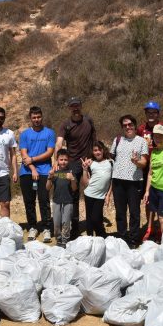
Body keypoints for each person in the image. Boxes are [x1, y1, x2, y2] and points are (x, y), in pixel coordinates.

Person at [55, 97, 96, 239]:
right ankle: (74, 228)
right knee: (73, 195)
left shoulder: (88, 121)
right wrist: (56, 161)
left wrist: (94, 157)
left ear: (81, 106)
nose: (75, 108)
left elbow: (94, 140)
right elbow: (59, 143)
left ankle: (92, 225)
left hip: (88, 162)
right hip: (72, 163)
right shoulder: (65, 124)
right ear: (69, 108)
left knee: (91, 192)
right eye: (72, 106)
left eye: (77, 106)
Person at [136, 101, 163, 241]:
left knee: (160, 198)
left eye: (154, 112)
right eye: (148, 112)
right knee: (148, 200)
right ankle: (149, 227)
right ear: (145, 114)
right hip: (145, 169)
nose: (151, 115)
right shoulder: (141, 129)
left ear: (158, 114)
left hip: (161, 169)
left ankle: (159, 227)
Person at [110, 114, 148, 248]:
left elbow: (144, 162)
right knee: (120, 211)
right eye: (125, 125)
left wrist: (137, 161)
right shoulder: (118, 140)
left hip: (135, 181)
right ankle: (122, 237)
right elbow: (111, 158)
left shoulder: (142, 141)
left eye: (130, 124)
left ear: (135, 125)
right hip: (118, 180)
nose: (128, 127)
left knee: (134, 212)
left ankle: (133, 240)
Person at [19, 106, 56, 242]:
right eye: (34, 117)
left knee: (44, 200)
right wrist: (33, 169)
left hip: (45, 171)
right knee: (29, 201)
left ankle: (46, 228)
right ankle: (33, 227)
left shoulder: (49, 133)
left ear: (42, 117)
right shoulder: (24, 134)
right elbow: (24, 154)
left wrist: (33, 159)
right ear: (30, 118)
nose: (36, 120)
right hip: (27, 172)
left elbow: (50, 152)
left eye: (38, 117)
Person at [81, 141, 113, 238]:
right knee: (89, 220)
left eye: (99, 150)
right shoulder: (91, 163)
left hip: (100, 196)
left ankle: (102, 237)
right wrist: (85, 169)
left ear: (103, 150)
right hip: (89, 194)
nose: (97, 152)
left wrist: (108, 195)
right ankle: (90, 239)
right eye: (95, 150)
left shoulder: (110, 162)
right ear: (93, 152)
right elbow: (85, 183)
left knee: (96, 218)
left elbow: (112, 180)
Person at [46, 149, 77, 248]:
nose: (63, 162)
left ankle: (65, 240)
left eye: (65, 160)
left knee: (66, 222)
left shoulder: (71, 172)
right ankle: (58, 239)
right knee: (56, 223)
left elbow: (74, 188)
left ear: (68, 161)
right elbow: (47, 187)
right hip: (56, 202)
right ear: (57, 160)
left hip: (68, 201)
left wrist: (72, 179)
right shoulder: (54, 172)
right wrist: (49, 177)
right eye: (61, 160)